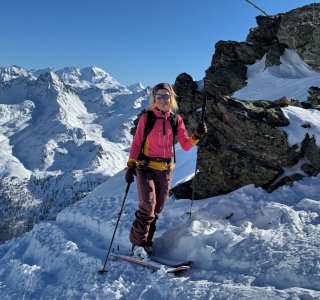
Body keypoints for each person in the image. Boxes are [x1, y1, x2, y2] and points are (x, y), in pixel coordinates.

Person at [125, 82, 207, 260]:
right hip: (145, 168)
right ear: (154, 99)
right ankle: (137, 245)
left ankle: (147, 242)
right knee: (148, 205)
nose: (163, 100)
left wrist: (197, 135)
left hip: (166, 170)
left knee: (158, 207)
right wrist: (130, 165)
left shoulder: (175, 120)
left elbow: (186, 145)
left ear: (172, 99)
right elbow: (137, 142)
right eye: (159, 96)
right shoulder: (147, 118)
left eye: (166, 96)